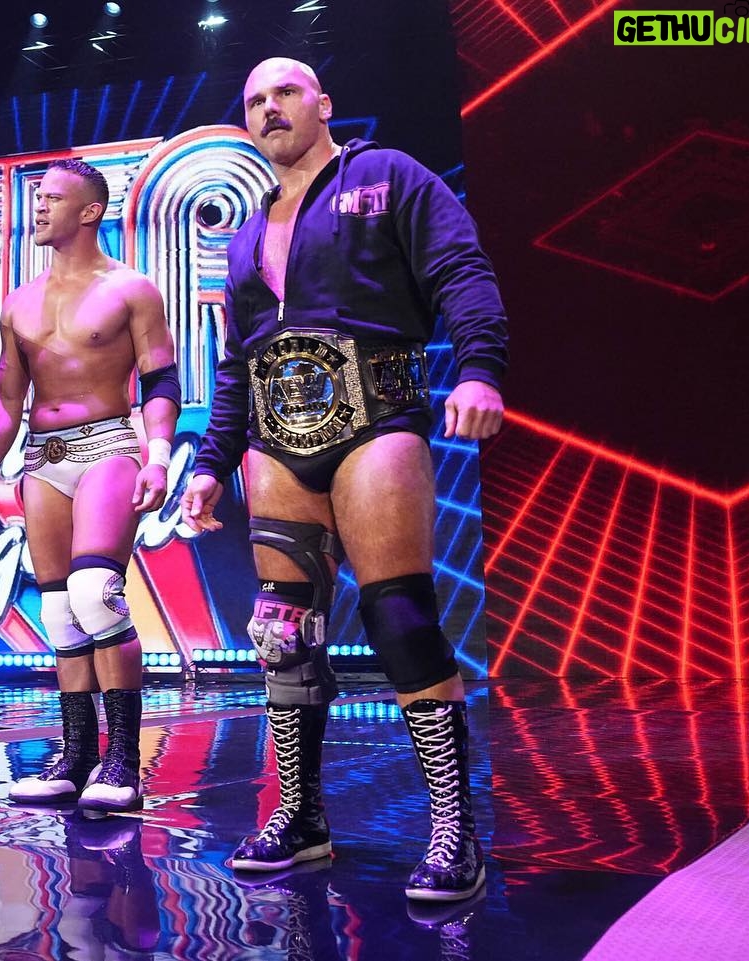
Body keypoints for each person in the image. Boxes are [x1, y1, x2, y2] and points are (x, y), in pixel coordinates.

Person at [180, 58, 507, 901]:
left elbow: (461, 271)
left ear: (323, 103)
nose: (269, 108)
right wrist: (211, 463)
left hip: (377, 418)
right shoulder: (247, 231)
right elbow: (236, 362)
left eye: (285, 92)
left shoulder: (387, 175)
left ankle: (454, 829)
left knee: (400, 618)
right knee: (282, 633)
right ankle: (301, 816)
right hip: (276, 442)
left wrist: (479, 370)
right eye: (254, 100)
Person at [0, 158, 180, 816]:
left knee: (95, 593)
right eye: (38, 196)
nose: (38, 207)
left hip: (109, 446)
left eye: (53, 198)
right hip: (42, 457)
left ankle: (123, 760)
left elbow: (161, 378)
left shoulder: (130, 289)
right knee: (58, 611)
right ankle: (77, 753)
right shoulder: (19, 302)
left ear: (90, 211)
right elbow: (7, 395)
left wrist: (159, 456)